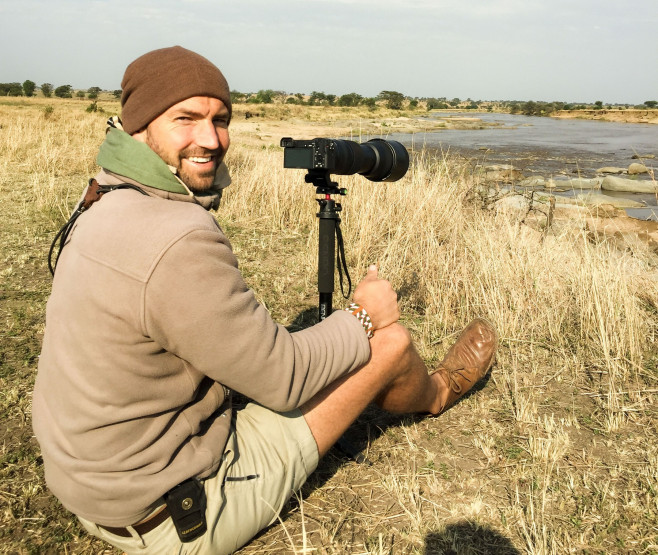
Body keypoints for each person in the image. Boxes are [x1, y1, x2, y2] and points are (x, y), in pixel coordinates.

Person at [32, 46, 497, 554]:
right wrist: (364, 314)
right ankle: (438, 393)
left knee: (300, 344)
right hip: (172, 513)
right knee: (389, 343)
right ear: (141, 126)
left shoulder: (103, 195)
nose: (210, 139)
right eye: (185, 118)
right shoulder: (176, 236)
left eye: (221, 119)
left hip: (94, 481)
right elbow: (285, 380)